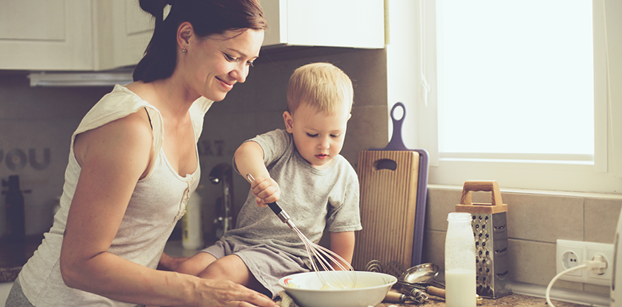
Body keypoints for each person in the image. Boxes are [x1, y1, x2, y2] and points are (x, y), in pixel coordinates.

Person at [6, 1, 279, 306]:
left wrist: (164, 262)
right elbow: (78, 264)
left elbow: (130, 223)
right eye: (231, 57)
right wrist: (198, 291)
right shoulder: (130, 124)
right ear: (186, 36)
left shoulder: (196, 109)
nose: (241, 74)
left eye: (249, 62)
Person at [175, 62, 362, 299]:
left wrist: (336, 286)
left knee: (219, 273)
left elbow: (343, 233)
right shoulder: (282, 144)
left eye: (335, 134)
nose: (324, 144)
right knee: (185, 272)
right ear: (290, 123)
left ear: (347, 121)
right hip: (238, 241)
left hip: (285, 256)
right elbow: (246, 152)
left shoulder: (344, 175)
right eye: (312, 134)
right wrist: (262, 178)